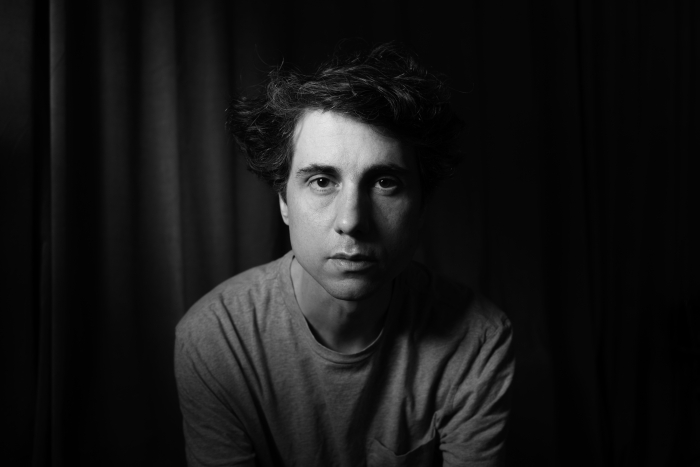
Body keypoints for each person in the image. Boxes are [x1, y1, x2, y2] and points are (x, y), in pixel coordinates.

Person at [174, 42, 514, 467]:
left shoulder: (478, 338)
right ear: (284, 201)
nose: (352, 221)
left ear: (422, 206)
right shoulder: (217, 339)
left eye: (385, 182)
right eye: (321, 181)